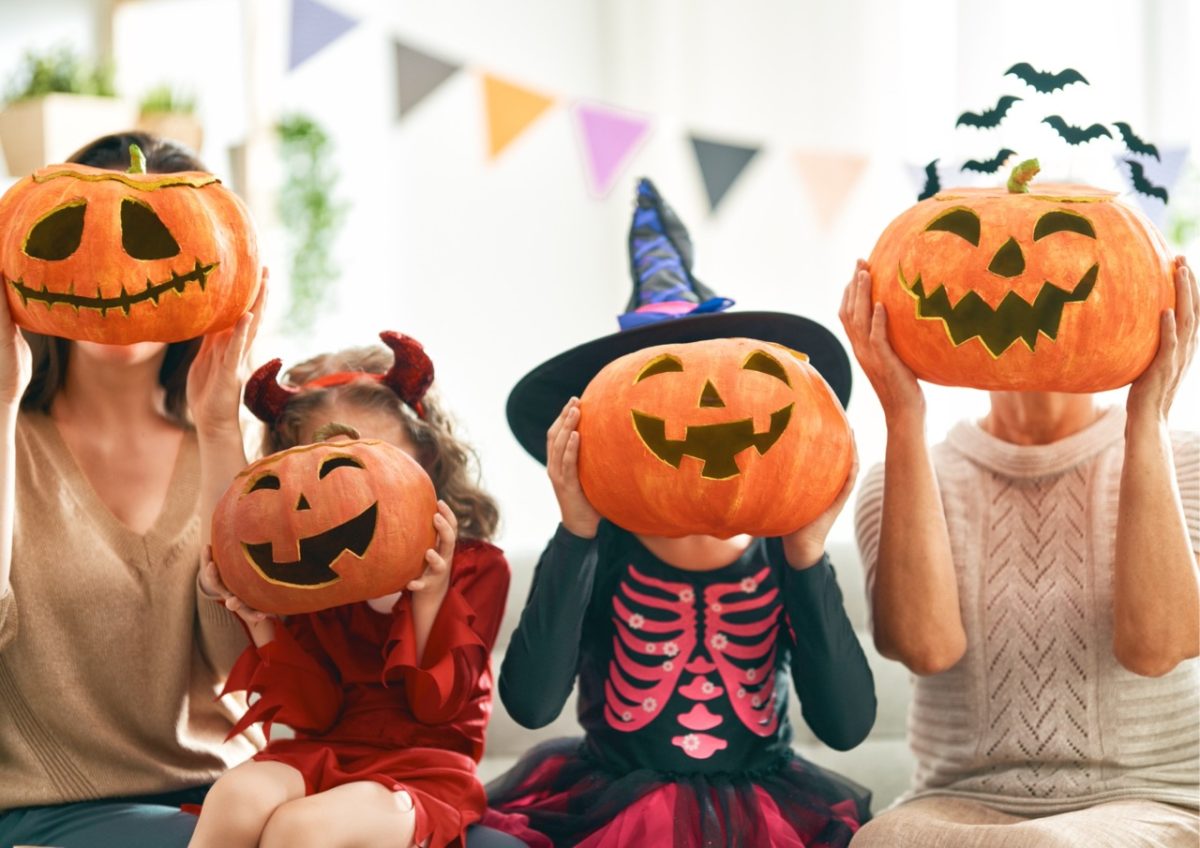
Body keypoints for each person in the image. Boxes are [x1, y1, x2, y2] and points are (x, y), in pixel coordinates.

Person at [484, 179, 876, 847]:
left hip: (768, 804)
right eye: (663, 387)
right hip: (608, 801)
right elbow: (531, 703)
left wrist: (807, 556)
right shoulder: (602, 550)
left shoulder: (785, 554)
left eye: (734, 383)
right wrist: (577, 530)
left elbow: (844, 725)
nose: (702, 415)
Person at [841, 257, 1199, 846]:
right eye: (986, 265)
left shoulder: (1185, 460)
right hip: (955, 800)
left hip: (1151, 795)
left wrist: (1147, 416)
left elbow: (1156, 646)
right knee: (880, 840)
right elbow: (925, 648)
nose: (1013, 278)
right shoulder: (898, 477)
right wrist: (902, 415)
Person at [0, 131, 266, 848]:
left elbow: (248, 662)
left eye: (151, 236)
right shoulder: (10, 440)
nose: (113, 266)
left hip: (235, 798)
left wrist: (218, 427)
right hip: (57, 809)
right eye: (76, 232)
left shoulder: (233, 441)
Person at [188, 332, 513, 848]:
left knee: (302, 830)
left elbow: (438, 711)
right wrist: (260, 617)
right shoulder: (312, 580)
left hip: (424, 767)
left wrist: (428, 595)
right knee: (235, 796)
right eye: (324, 470)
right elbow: (315, 713)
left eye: (371, 459)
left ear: (424, 459)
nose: (348, 492)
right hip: (326, 748)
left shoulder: (477, 567)